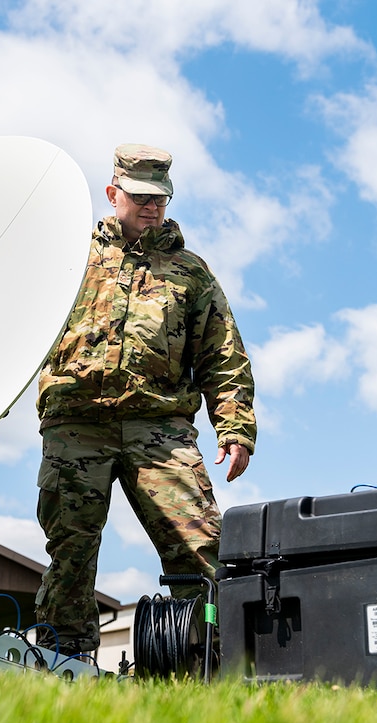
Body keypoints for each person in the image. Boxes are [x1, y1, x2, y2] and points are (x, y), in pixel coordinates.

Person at [33, 143, 257, 655]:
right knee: (71, 548)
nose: (152, 207)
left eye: (161, 198)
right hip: (75, 423)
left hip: (159, 428)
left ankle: (212, 658)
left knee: (200, 543)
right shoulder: (69, 257)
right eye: (140, 197)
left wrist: (235, 427)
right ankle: (64, 661)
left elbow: (223, 353)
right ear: (113, 194)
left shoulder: (190, 272)